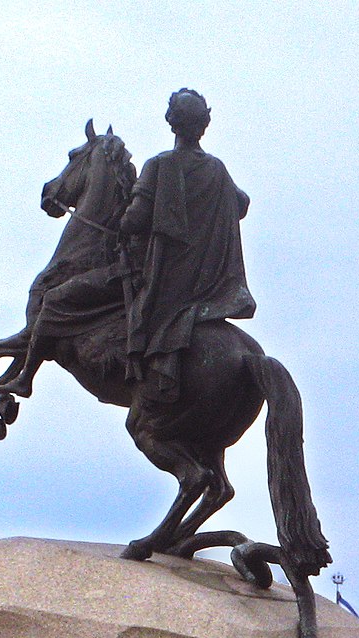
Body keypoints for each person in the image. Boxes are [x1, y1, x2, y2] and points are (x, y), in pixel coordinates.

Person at [118, 88, 256, 404]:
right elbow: (243, 203)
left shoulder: (159, 166)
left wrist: (122, 218)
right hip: (213, 286)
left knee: (137, 315)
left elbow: (134, 220)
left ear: (172, 122)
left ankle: (148, 363)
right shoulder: (217, 169)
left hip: (172, 283)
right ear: (203, 124)